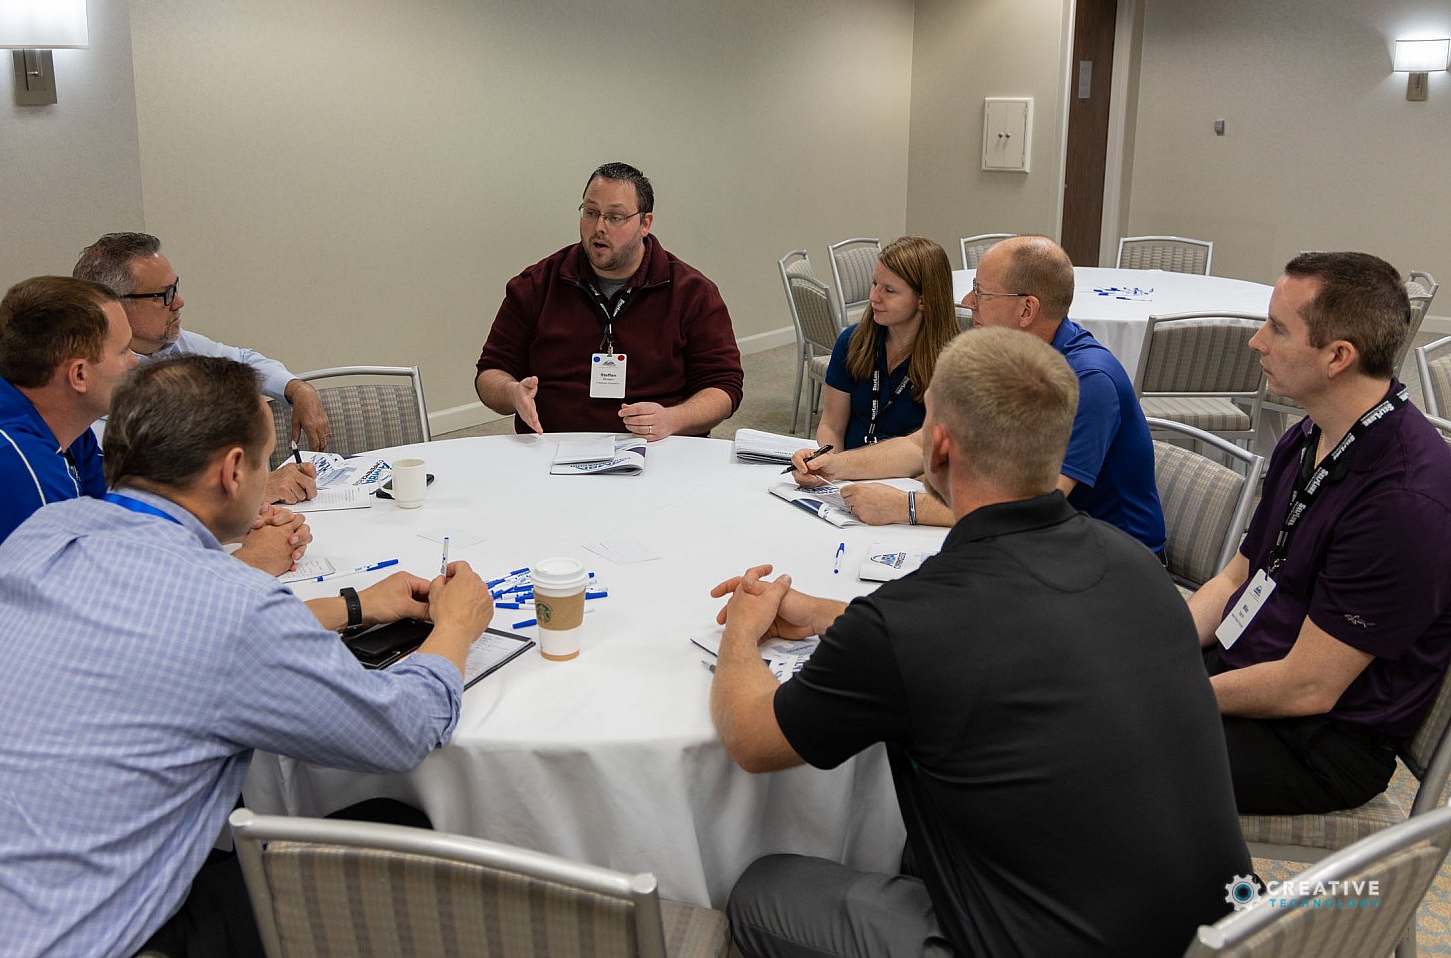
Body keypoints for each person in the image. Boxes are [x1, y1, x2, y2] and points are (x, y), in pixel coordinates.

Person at [0, 355, 495, 958]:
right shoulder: (233, 608)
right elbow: (402, 729)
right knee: (397, 832)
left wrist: (354, 605)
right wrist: (455, 628)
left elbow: (178, 639)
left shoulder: (40, 535)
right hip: (47, 944)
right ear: (233, 471)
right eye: (266, 461)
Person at [712, 327, 1250, 958]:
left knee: (760, 890)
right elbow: (1009, 628)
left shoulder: (912, 618)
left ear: (938, 449)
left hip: (1041, 944)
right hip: (1227, 931)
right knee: (910, 849)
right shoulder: (1138, 567)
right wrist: (827, 615)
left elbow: (752, 739)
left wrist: (743, 629)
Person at [0, 278, 311, 817]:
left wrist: (223, 523)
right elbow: (105, 625)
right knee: (176, 715)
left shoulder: (53, 431)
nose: (136, 364)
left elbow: (115, 543)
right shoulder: (7, 463)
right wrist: (250, 566)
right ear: (78, 375)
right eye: (123, 352)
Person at [1188, 251, 1451, 814]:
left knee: (1096, 751)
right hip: (1253, 669)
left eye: (1278, 329)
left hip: (1320, 739)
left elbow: (1309, 687)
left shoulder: (1403, 503)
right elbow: (1239, 576)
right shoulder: (1310, 434)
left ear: (1338, 357)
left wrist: (1165, 695)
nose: (1257, 342)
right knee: (1080, 696)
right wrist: (1159, 651)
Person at [791, 235, 1166, 554]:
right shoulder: (1012, 355)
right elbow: (920, 444)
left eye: (982, 293)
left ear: (1026, 309)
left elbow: (1033, 506)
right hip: (1046, 539)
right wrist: (834, 466)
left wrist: (906, 506)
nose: (968, 301)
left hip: (1108, 559)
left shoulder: (1088, 380)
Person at [475, 161, 743, 439]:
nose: (599, 227)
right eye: (591, 213)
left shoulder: (692, 292)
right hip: (554, 446)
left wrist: (674, 419)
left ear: (645, 223)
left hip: (655, 446)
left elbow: (724, 386)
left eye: (615, 217)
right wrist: (512, 393)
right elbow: (491, 372)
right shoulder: (536, 285)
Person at [73, 231, 325, 503]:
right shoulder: (93, 384)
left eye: (175, 287)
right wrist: (249, 493)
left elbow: (243, 362)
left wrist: (296, 388)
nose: (179, 302)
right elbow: (127, 498)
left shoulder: (174, 344)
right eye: (165, 294)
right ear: (117, 307)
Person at [813, 235, 959, 452]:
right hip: (845, 467)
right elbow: (831, 426)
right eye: (874, 284)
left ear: (923, 300)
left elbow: (934, 452)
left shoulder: (953, 363)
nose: (874, 297)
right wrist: (827, 461)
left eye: (889, 290)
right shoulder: (853, 342)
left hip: (907, 472)